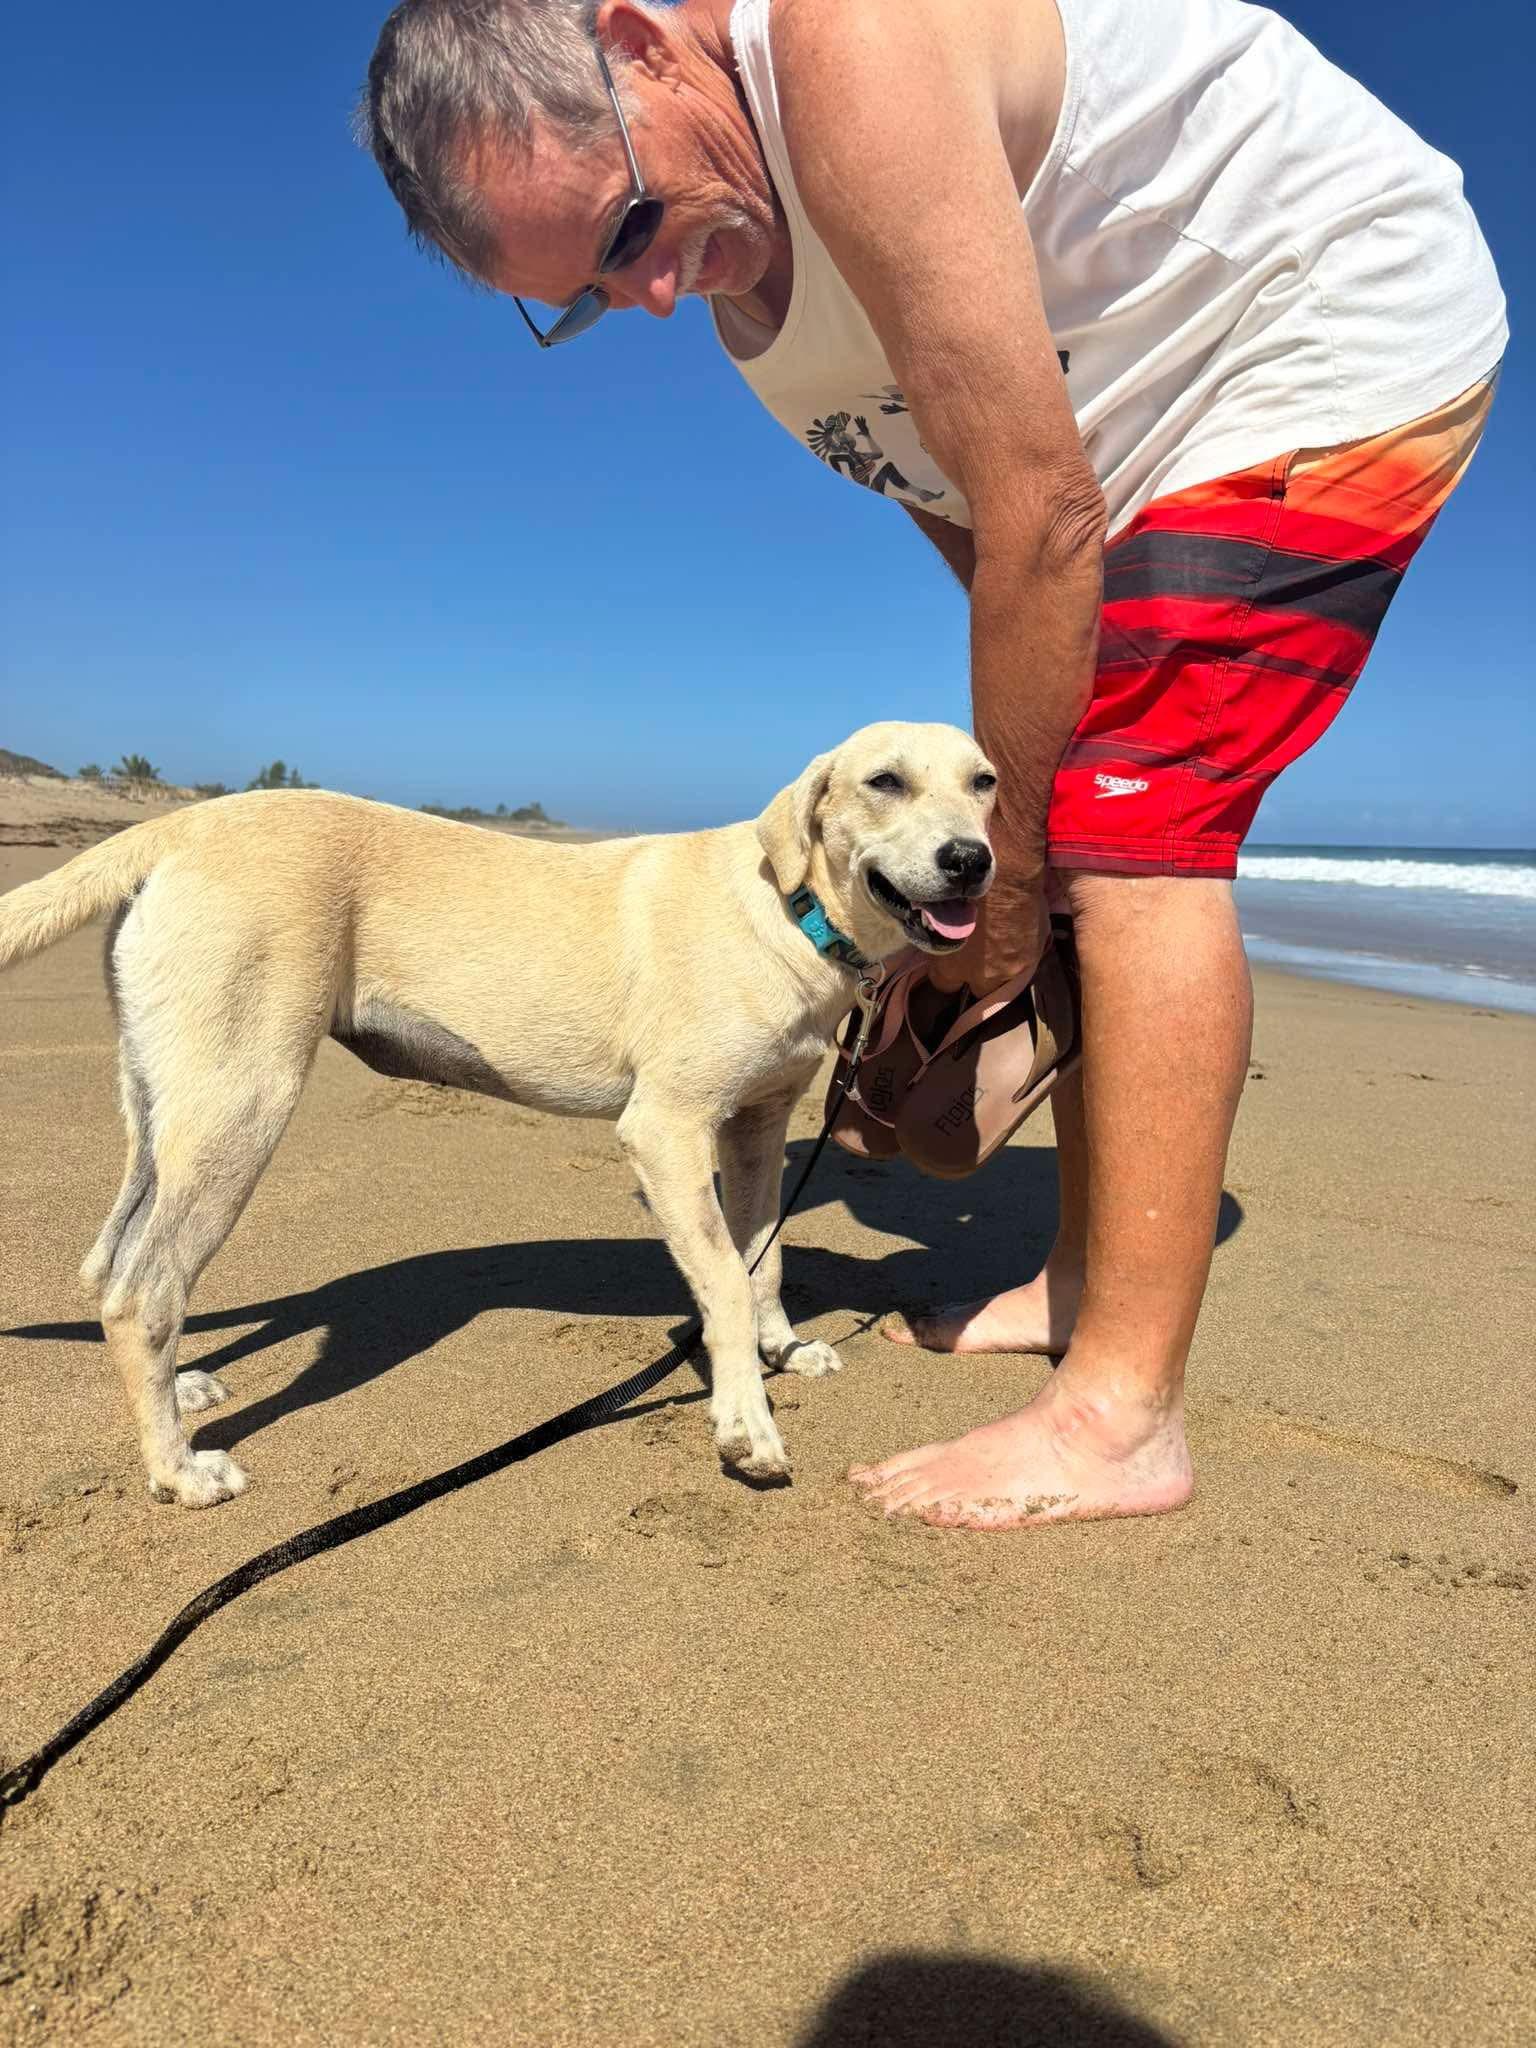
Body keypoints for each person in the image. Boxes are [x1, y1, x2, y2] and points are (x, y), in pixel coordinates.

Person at [359, 0, 1506, 1528]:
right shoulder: (745, 306)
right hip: (1119, 430)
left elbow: (1038, 511)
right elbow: (989, 538)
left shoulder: (846, 48)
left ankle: (1120, 1417)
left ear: (639, 41)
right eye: (582, 296)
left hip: (1323, 314)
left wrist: (1009, 898)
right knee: (1088, 776)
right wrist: (1010, 858)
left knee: (1129, 818)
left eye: (629, 224)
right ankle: (1084, 1275)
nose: (644, 295)